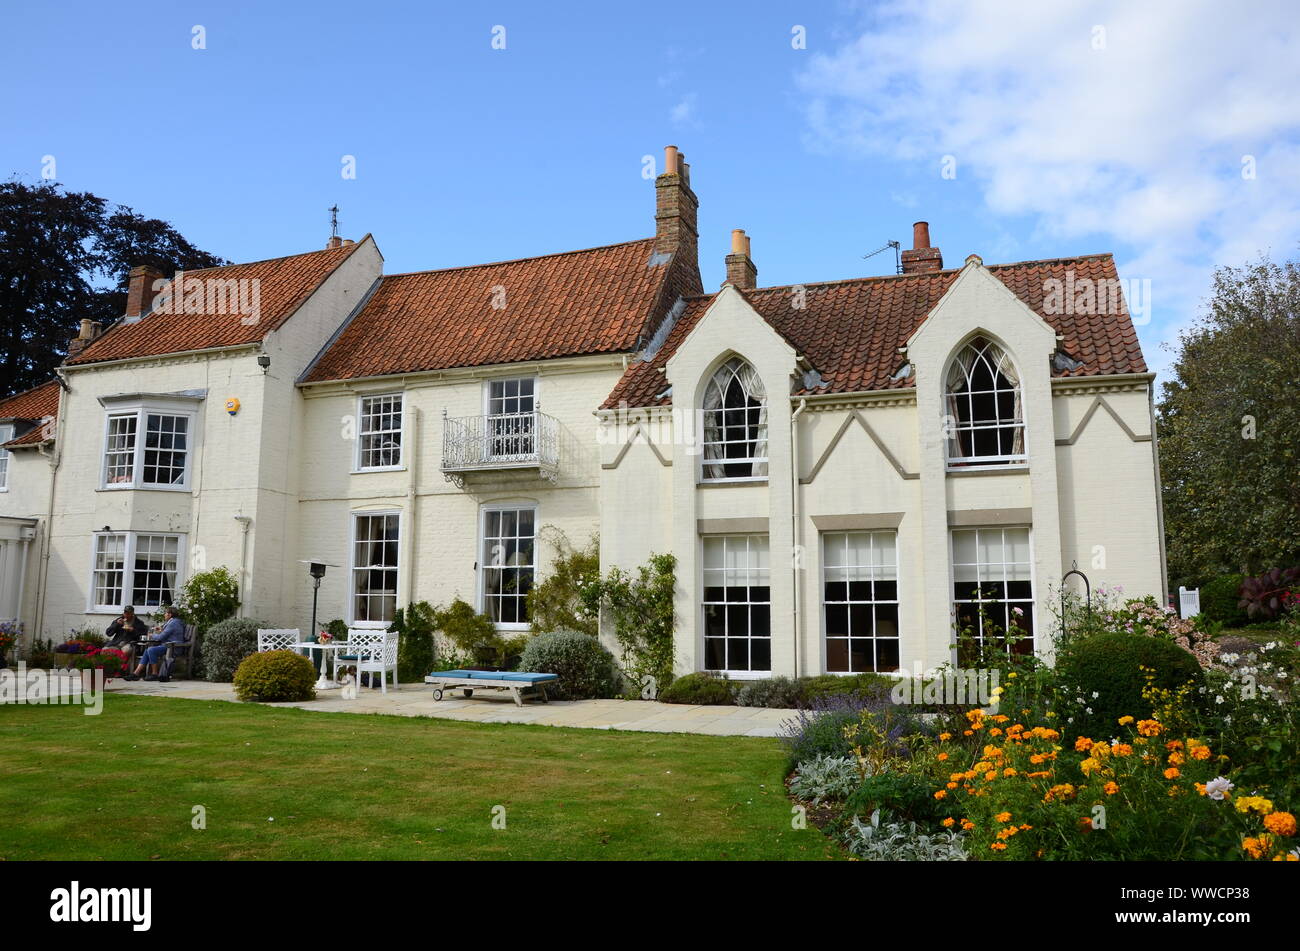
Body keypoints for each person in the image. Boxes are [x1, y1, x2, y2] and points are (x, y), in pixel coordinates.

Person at [124, 606, 187, 682]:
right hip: (168, 646)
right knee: (148, 650)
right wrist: (162, 630)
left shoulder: (173, 623)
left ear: (170, 615)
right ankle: (136, 673)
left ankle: (154, 674)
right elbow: (169, 633)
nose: (164, 615)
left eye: (165, 613)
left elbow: (160, 638)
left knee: (151, 650)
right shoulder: (174, 622)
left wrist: (151, 635)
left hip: (173, 648)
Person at [104, 605, 148, 671]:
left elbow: (143, 633)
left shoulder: (138, 623)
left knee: (126, 651)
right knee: (104, 650)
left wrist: (133, 631)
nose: (126, 615)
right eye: (125, 613)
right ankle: (110, 670)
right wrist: (116, 624)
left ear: (132, 614)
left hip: (129, 643)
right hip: (116, 643)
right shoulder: (119, 620)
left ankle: (119, 670)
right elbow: (108, 633)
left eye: (128, 613)